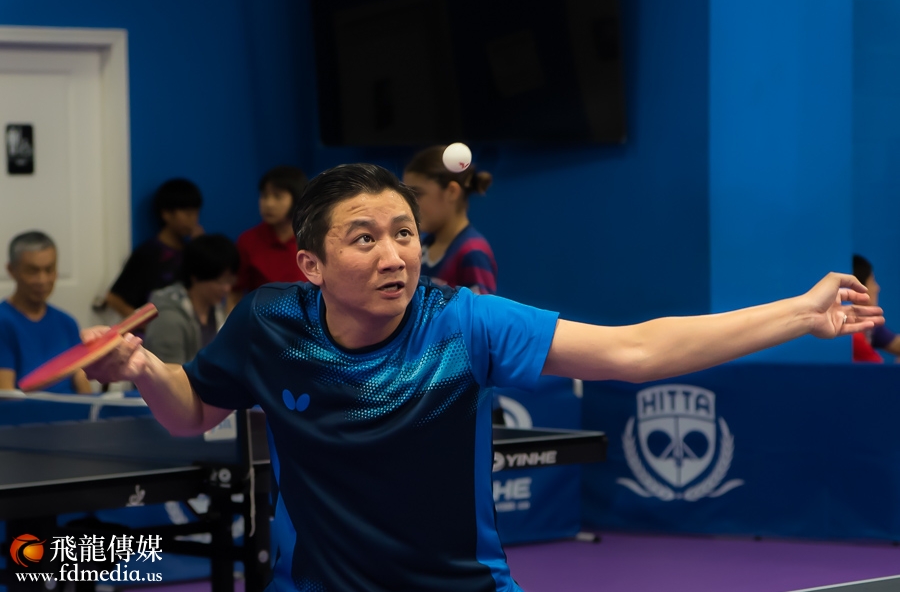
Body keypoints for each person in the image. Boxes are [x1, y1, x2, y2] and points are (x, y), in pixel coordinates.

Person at [84, 163, 883, 592]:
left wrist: (797, 313)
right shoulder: (268, 323)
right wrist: (146, 367)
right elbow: (191, 412)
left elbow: (637, 350)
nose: (394, 254)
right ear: (311, 264)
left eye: (405, 231)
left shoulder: (463, 322)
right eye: (363, 238)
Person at [0, 231, 91, 393]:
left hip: (71, 408)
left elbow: (82, 382)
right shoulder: (4, 322)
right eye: (32, 271)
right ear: (12, 270)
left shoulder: (67, 323)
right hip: (29, 409)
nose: (42, 280)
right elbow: (6, 396)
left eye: (49, 270)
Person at [403, 145, 498, 294]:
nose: (410, 205)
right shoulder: (422, 245)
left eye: (417, 194)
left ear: (452, 192)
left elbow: (479, 309)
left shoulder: (473, 252)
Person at [105, 178, 204, 318]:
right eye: (187, 213)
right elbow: (114, 298)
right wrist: (146, 324)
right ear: (166, 214)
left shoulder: (193, 251)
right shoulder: (148, 253)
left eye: (196, 213)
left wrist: (201, 249)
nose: (193, 219)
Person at [143, 234, 239, 364]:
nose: (227, 288)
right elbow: (167, 371)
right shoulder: (169, 317)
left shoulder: (216, 311)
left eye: (230, 280)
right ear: (196, 277)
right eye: (220, 281)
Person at [229, 166, 308, 310]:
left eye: (277, 196)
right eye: (264, 196)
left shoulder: (312, 238)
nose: (268, 204)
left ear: (297, 199)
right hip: (262, 319)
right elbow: (235, 293)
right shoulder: (248, 241)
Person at [851, 254, 900, 362]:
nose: (877, 288)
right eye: (872, 281)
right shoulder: (853, 336)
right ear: (857, 288)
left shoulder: (871, 327)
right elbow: (878, 371)